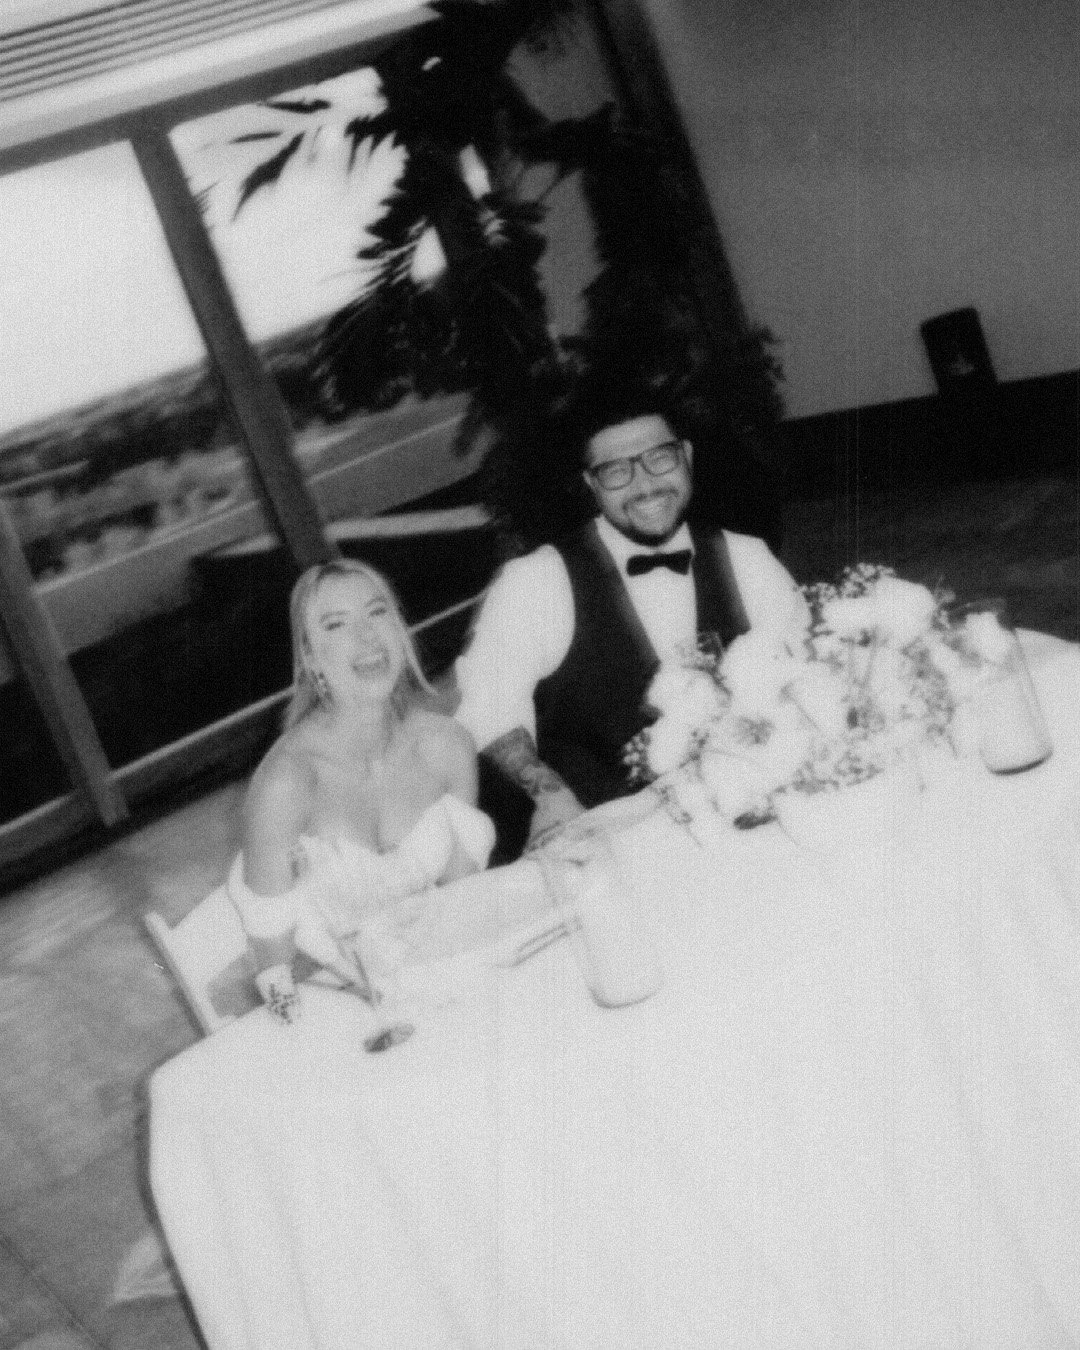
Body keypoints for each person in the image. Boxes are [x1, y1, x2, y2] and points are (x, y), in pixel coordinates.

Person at [455, 394, 806, 845]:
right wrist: (550, 795)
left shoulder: (747, 559)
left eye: (659, 458)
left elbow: (803, 679)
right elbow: (489, 706)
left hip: (755, 817)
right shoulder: (538, 580)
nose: (644, 485)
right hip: (616, 837)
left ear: (687, 458)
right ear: (591, 484)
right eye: (617, 470)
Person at [229, 558, 497, 1014]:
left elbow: (464, 905)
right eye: (336, 625)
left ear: (400, 629)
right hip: (339, 1017)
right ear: (311, 657)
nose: (367, 637)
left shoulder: (446, 745)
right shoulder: (287, 783)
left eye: (377, 613)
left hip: (448, 987)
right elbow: (276, 979)